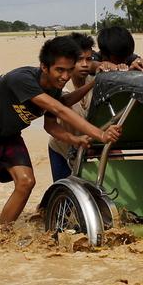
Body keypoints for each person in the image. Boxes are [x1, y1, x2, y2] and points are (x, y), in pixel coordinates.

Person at [0, 35, 122, 229]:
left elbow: (51, 124)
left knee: (26, 182)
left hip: (9, 136)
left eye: (69, 71)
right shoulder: (22, 79)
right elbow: (59, 109)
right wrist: (101, 135)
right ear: (44, 67)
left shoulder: (54, 87)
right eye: (60, 70)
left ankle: (2, 234)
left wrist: (73, 138)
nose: (65, 77)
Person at [47, 33, 96, 181]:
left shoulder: (94, 79)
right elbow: (63, 102)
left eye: (89, 59)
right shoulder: (61, 85)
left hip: (87, 149)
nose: (85, 64)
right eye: (80, 59)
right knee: (63, 191)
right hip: (61, 148)